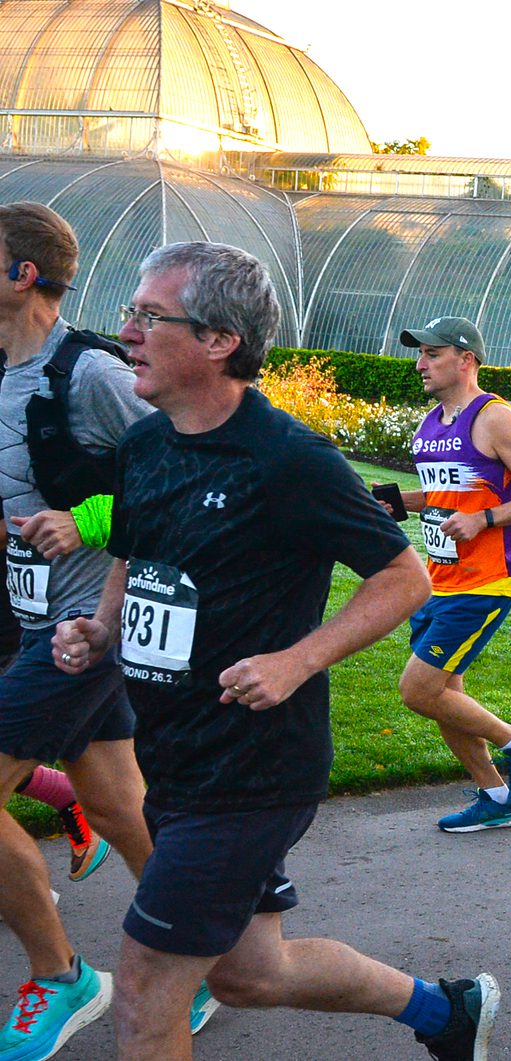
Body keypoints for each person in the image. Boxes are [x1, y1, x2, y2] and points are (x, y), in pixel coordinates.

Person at [53, 241, 497, 1060]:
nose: (127, 333)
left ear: (220, 339)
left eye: (150, 317)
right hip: (176, 758)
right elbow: (132, 544)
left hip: (252, 771)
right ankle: (447, 1013)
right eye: (130, 313)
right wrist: (102, 625)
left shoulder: (289, 460)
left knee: (146, 995)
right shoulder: (149, 443)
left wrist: (298, 658)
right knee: (251, 974)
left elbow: (403, 579)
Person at [0, 202, 161, 1061]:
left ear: (22, 273)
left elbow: (186, 467)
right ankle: (201, 952)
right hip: (32, 623)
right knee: (112, 800)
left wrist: (89, 515)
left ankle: (61, 977)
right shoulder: (2, 369)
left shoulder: (90, 371)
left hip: (87, 624)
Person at [389, 315, 511, 832]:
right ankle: (496, 796)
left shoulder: (494, 418)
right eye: (419, 355)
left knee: (419, 691)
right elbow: (445, 495)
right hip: (436, 581)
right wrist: (390, 501)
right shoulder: (431, 424)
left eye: (432, 354)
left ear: (466, 360)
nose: (420, 364)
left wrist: (484, 519)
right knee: (447, 696)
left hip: (486, 583)